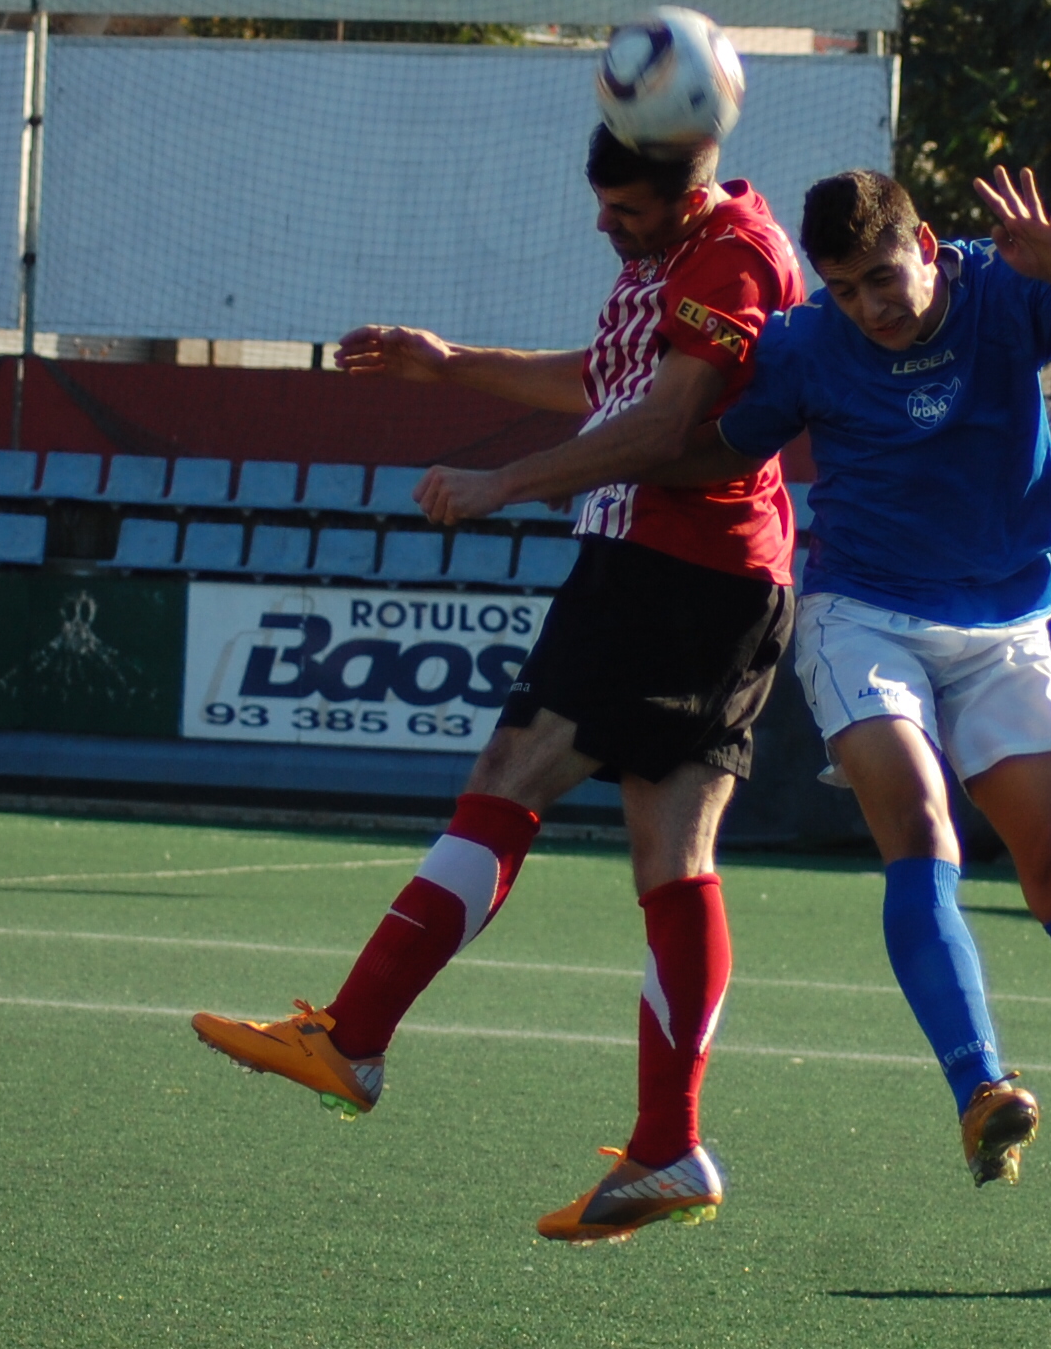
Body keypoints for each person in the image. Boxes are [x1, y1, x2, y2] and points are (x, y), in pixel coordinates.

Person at [189, 123, 806, 1245]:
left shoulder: (735, 254)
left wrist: (502, 485)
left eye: (624, 208)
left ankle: (355, 1035)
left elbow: (666, 421)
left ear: (688, 187)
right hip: (703, 574)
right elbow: (610, 378)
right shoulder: (672, 261)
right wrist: (451, 361)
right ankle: (667, 1148)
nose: (604, 224)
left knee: (513, 772)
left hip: (678, 569)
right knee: (673, 855)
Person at [585, 165, 1051, 1229]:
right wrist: (575, 455)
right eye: (842, 288)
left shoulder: (1009, 288)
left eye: (882, 276)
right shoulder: (803, 344)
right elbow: (696, 444)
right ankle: (981, 1088)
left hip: (1005, 625)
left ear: (927, 244)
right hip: (862, 614)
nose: (869, 305)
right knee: (921, 828)